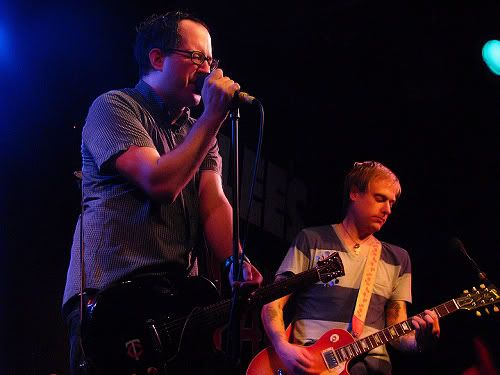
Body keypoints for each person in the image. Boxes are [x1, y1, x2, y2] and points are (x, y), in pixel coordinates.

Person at [61, 11, 262, 374]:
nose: (208, 71)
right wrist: (212, 118)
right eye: (198, 57)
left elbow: (213, 202)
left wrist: (236, 259)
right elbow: (158, 183)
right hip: (112, 300)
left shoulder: (196, 130)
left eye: (211, 60)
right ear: (157, 58)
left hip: (175, 305)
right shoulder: (115, 107)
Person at [260, 161, 440, 374]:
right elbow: (273, 304)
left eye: (392, 203)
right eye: (380, 199)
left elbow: (398, 333)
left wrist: (420, 341)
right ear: (355, 193)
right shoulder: (311, 240)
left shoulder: (398, 259)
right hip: (310, 366)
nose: (388, 210)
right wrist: (282, 348)